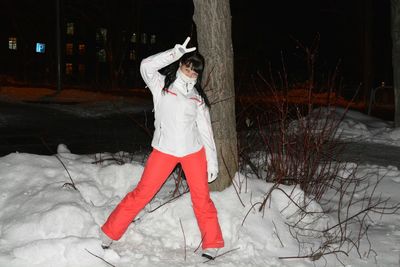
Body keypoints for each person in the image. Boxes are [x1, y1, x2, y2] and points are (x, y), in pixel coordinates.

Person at [100, 37, 224, 260]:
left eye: (194, 72)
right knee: (142, 193)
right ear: (180, 66)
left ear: (198, 75)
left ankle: (212, 242)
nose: (189, 74)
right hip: (164, 151)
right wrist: (174, 52)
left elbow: (206, 132)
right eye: (187, 68)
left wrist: (212, 161)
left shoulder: (198, 99)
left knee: (201, 198)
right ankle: (109, 232)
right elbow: (145, 66)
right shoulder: (161, 86)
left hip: (193, 152)